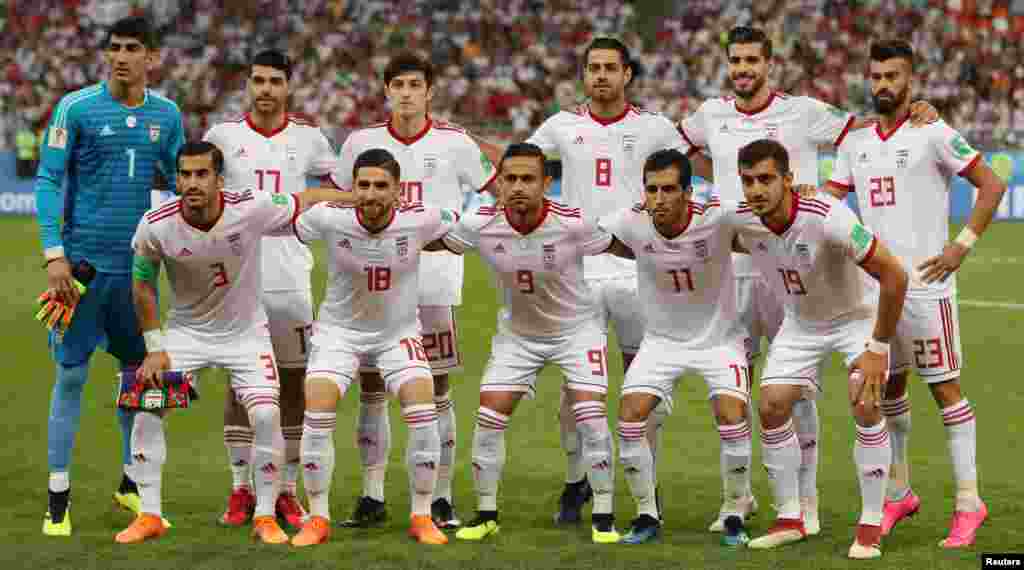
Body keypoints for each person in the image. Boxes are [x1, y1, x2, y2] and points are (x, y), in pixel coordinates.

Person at [676, 25, 937, 534]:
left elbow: (862, 129)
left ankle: (807, 503)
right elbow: (672, 148)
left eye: (753, 59)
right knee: (736, 386)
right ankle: (740, 496)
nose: (744, 68)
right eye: (736, 60)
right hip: (736, 266)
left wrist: (914, 112)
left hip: (798, 265)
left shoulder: (804, 110)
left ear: (769, 64)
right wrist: (717, 179)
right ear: (728, 64)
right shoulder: (711, 114)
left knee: (798, 390)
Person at [825, 40, 1006, 548]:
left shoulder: (932, 132)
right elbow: (830, 205)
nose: (883, 83)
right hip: (878, 291)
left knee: (945, 389)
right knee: (887, 391)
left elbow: (990, 184)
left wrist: (961, 247)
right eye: (876, 75)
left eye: (893, 75)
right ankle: (899, 492)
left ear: (912, 80)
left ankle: (969, 502)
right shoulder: (855, 143)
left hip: (927, 287)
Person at [121, 141, 349, 544]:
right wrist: (155, 347)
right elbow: (142, 284)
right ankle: (150, 514)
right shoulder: (155, 223)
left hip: (246, 334)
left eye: (201, 174)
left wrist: (354, 197)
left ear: (219, 180)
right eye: (185, 174)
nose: (192, 183)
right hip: (186, 334)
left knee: (265, 416)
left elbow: (307, 198)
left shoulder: (251, 207)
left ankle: (264, 516)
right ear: (176, 178)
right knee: (146, 408)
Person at [525, 36, 698, 525]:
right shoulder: (561, 126)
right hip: (577, 273)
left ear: (627, 74)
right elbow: (518, 162)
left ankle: (649, 484)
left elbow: (698, 167)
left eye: (609, 68)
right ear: (584, 75)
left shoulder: (656, 127)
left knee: (646, 381)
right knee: (577, 387)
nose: (600, 75)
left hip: (639, 270)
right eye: (592, 67)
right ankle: (576, 480)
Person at [331, 52, 497, 529]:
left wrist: (464, 234)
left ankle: (441, 497)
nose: (405, 92)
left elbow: (495, 188)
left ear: (430, 91)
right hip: (372, 284)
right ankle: (372, 494)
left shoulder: (455, 142)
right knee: (372, 387)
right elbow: (341, 197)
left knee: (437, 388)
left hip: (434, 281)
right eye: (397, 84)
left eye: (414, 84)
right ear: (386, 90)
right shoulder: (362, 142)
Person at [34, 16, 185, 537]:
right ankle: (58, 496)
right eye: (115, 47)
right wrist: (54, 254)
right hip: (80, 272)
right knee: (71, 376)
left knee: (138, 379)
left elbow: (182, 179)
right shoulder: (75, 108)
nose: (121, 56)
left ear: (151, 58)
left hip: (138, 275)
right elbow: (49, 178)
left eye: (132, 48)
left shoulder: (166, 115)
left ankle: (132, 483)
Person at [730, 139, 908, 559]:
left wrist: (878, 347)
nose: (756, 189)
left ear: (789, 180)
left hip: (854, 317)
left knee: (865, 402)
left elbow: (895, 275)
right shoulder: (741, 221)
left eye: (766, 179)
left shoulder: (827, 216)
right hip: (802, 323)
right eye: (748, 180)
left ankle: (868, 527)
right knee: (771, 405)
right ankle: (791, 517)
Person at [447, 143, 629, 544]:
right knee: (489, 413)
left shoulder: (573, 222)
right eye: (509, 179)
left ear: (547, 182)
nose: (517, 187)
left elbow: (626, 247)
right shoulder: (479, 222)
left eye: (528, 179)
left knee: (591, 417)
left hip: (576, 330)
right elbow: (435, 241)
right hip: (518, 335)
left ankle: (603, 515)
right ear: (499, 183)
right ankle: (486, 512)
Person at [289, 148, 458, 547]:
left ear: (398, 191)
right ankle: (318, 518)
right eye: (363, 184)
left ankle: (421, 515)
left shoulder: (422, 218)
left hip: (398, 334)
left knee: (423, 410)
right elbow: (291, 224)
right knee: (317, 412)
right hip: (337, 334)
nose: (371, 193)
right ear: (352, 188)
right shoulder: (329, 218)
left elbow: (460, 227)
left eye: (381, 185)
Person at [203, 48, 342, 530]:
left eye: (274, 81)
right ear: (249, 84)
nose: (265, 89)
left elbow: (337, 189)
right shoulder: (222, 137)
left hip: (291, 279)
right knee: (239, 385)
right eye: (258, 80)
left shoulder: (309, 139)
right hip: (237, 281)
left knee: (293, 383)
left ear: (288, 86)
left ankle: (283, 489)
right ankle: (241, 487)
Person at [598, 149, 752, 546]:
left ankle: (736, 509)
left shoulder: (719, 217)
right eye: (652, 189)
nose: (659, 198)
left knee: (731, 414)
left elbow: (772, 218)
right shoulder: (631, 221)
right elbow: (588, 236)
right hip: (662, 341)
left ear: (688, 192)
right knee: (630, 415)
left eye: (669, 189)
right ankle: (647, 514)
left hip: (719, 338)